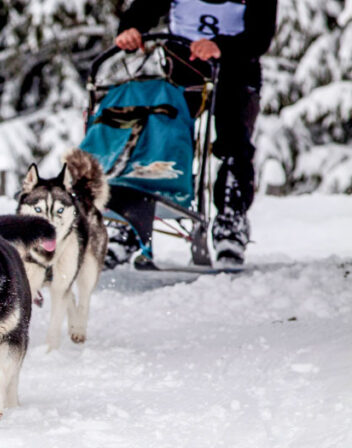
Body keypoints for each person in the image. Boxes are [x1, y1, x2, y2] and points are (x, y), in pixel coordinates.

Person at [110, 0, 278, 266]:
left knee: (234, 141)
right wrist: (131, 29)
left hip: (237, 70)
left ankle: (230, 222)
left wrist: (220, 46)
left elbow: (260, 36)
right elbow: (142, 11)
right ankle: (131, 223)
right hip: (183, 68)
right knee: (160, 135)